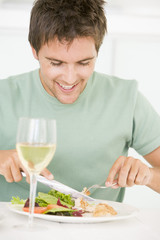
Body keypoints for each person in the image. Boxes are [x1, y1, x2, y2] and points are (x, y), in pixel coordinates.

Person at [0, 0, 160, 202]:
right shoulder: (3, 95)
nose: (70, 78)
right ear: (34, 51)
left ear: (97, 51)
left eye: (84, 63)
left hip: (99, 233)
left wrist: (149, 175)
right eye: (56, 63)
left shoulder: (126, 98)